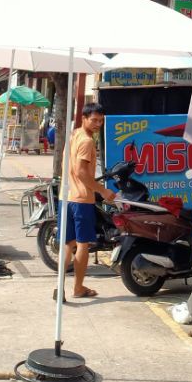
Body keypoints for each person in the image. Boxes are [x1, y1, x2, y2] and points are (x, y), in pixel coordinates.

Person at [56, 102, 115, 301]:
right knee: (82, 245)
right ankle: (78, 288)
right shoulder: (87, 141)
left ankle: (59, 286)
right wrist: (103, 190)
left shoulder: (73, 135)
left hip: (65, 197)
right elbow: (81, 172)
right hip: (81, 200)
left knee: (67, 244)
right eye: (94, 120)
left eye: (101, 121)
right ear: (84, 118)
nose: (98, 124)